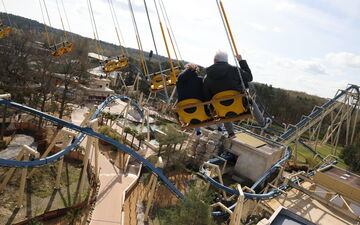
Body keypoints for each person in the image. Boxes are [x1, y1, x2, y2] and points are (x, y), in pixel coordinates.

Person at [203, 50, 253, 138]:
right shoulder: (234, 70)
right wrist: (241, 61)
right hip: (240, 107)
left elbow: (206, 97)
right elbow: (249, 77)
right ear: (226, 61)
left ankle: (231, 133)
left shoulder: (207, 78)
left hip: (221, 111)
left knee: (219, 103)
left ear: (214, 61)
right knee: (248, 96)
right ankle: (262, 122)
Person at [176, 63, 205, 136]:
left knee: (189, 103)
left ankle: (198, 131)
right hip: (199, 111)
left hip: (184, 113)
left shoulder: (179, 82)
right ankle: (220, 128)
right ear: (196, 71)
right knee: (199, 103)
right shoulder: (200, 80)